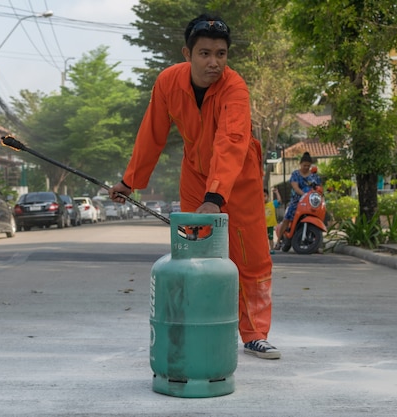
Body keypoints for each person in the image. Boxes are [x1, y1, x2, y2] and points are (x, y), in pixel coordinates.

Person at [108, 14, 280, 359]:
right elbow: (152, 133)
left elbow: (231, 140)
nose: (213, 62)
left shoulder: (235, 87)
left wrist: (215, 196)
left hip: (240, 178)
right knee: (195, 254)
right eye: (204, 53)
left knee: (251, 258)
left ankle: (254, 334)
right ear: (187, 53)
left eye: (221, 54)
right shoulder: (168, 82)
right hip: (194, 176)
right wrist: (130, 181)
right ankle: (199, 325)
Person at [275, 152, 321, 249]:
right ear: (300, 164)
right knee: (287, 218)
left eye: (308, 166)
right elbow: (295, 187)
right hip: (297, 200)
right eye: (304, 165)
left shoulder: (314, 176)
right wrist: (304, 195)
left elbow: (319, 188)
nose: (306, 167)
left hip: (311, 202)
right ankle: (278, 241)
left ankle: (318, 243)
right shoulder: (295, 174)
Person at [265, 187, 282, 255]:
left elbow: (279, 200)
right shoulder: (260, 205)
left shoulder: (272, 204)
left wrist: (277, 192)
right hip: (263, 225)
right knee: (263, 238)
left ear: (268, 197)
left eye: (265, 196)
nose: (264, 198)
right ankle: (265, 249)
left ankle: (271, 249)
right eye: (262, 196)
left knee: (271, 238)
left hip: (270, 224)